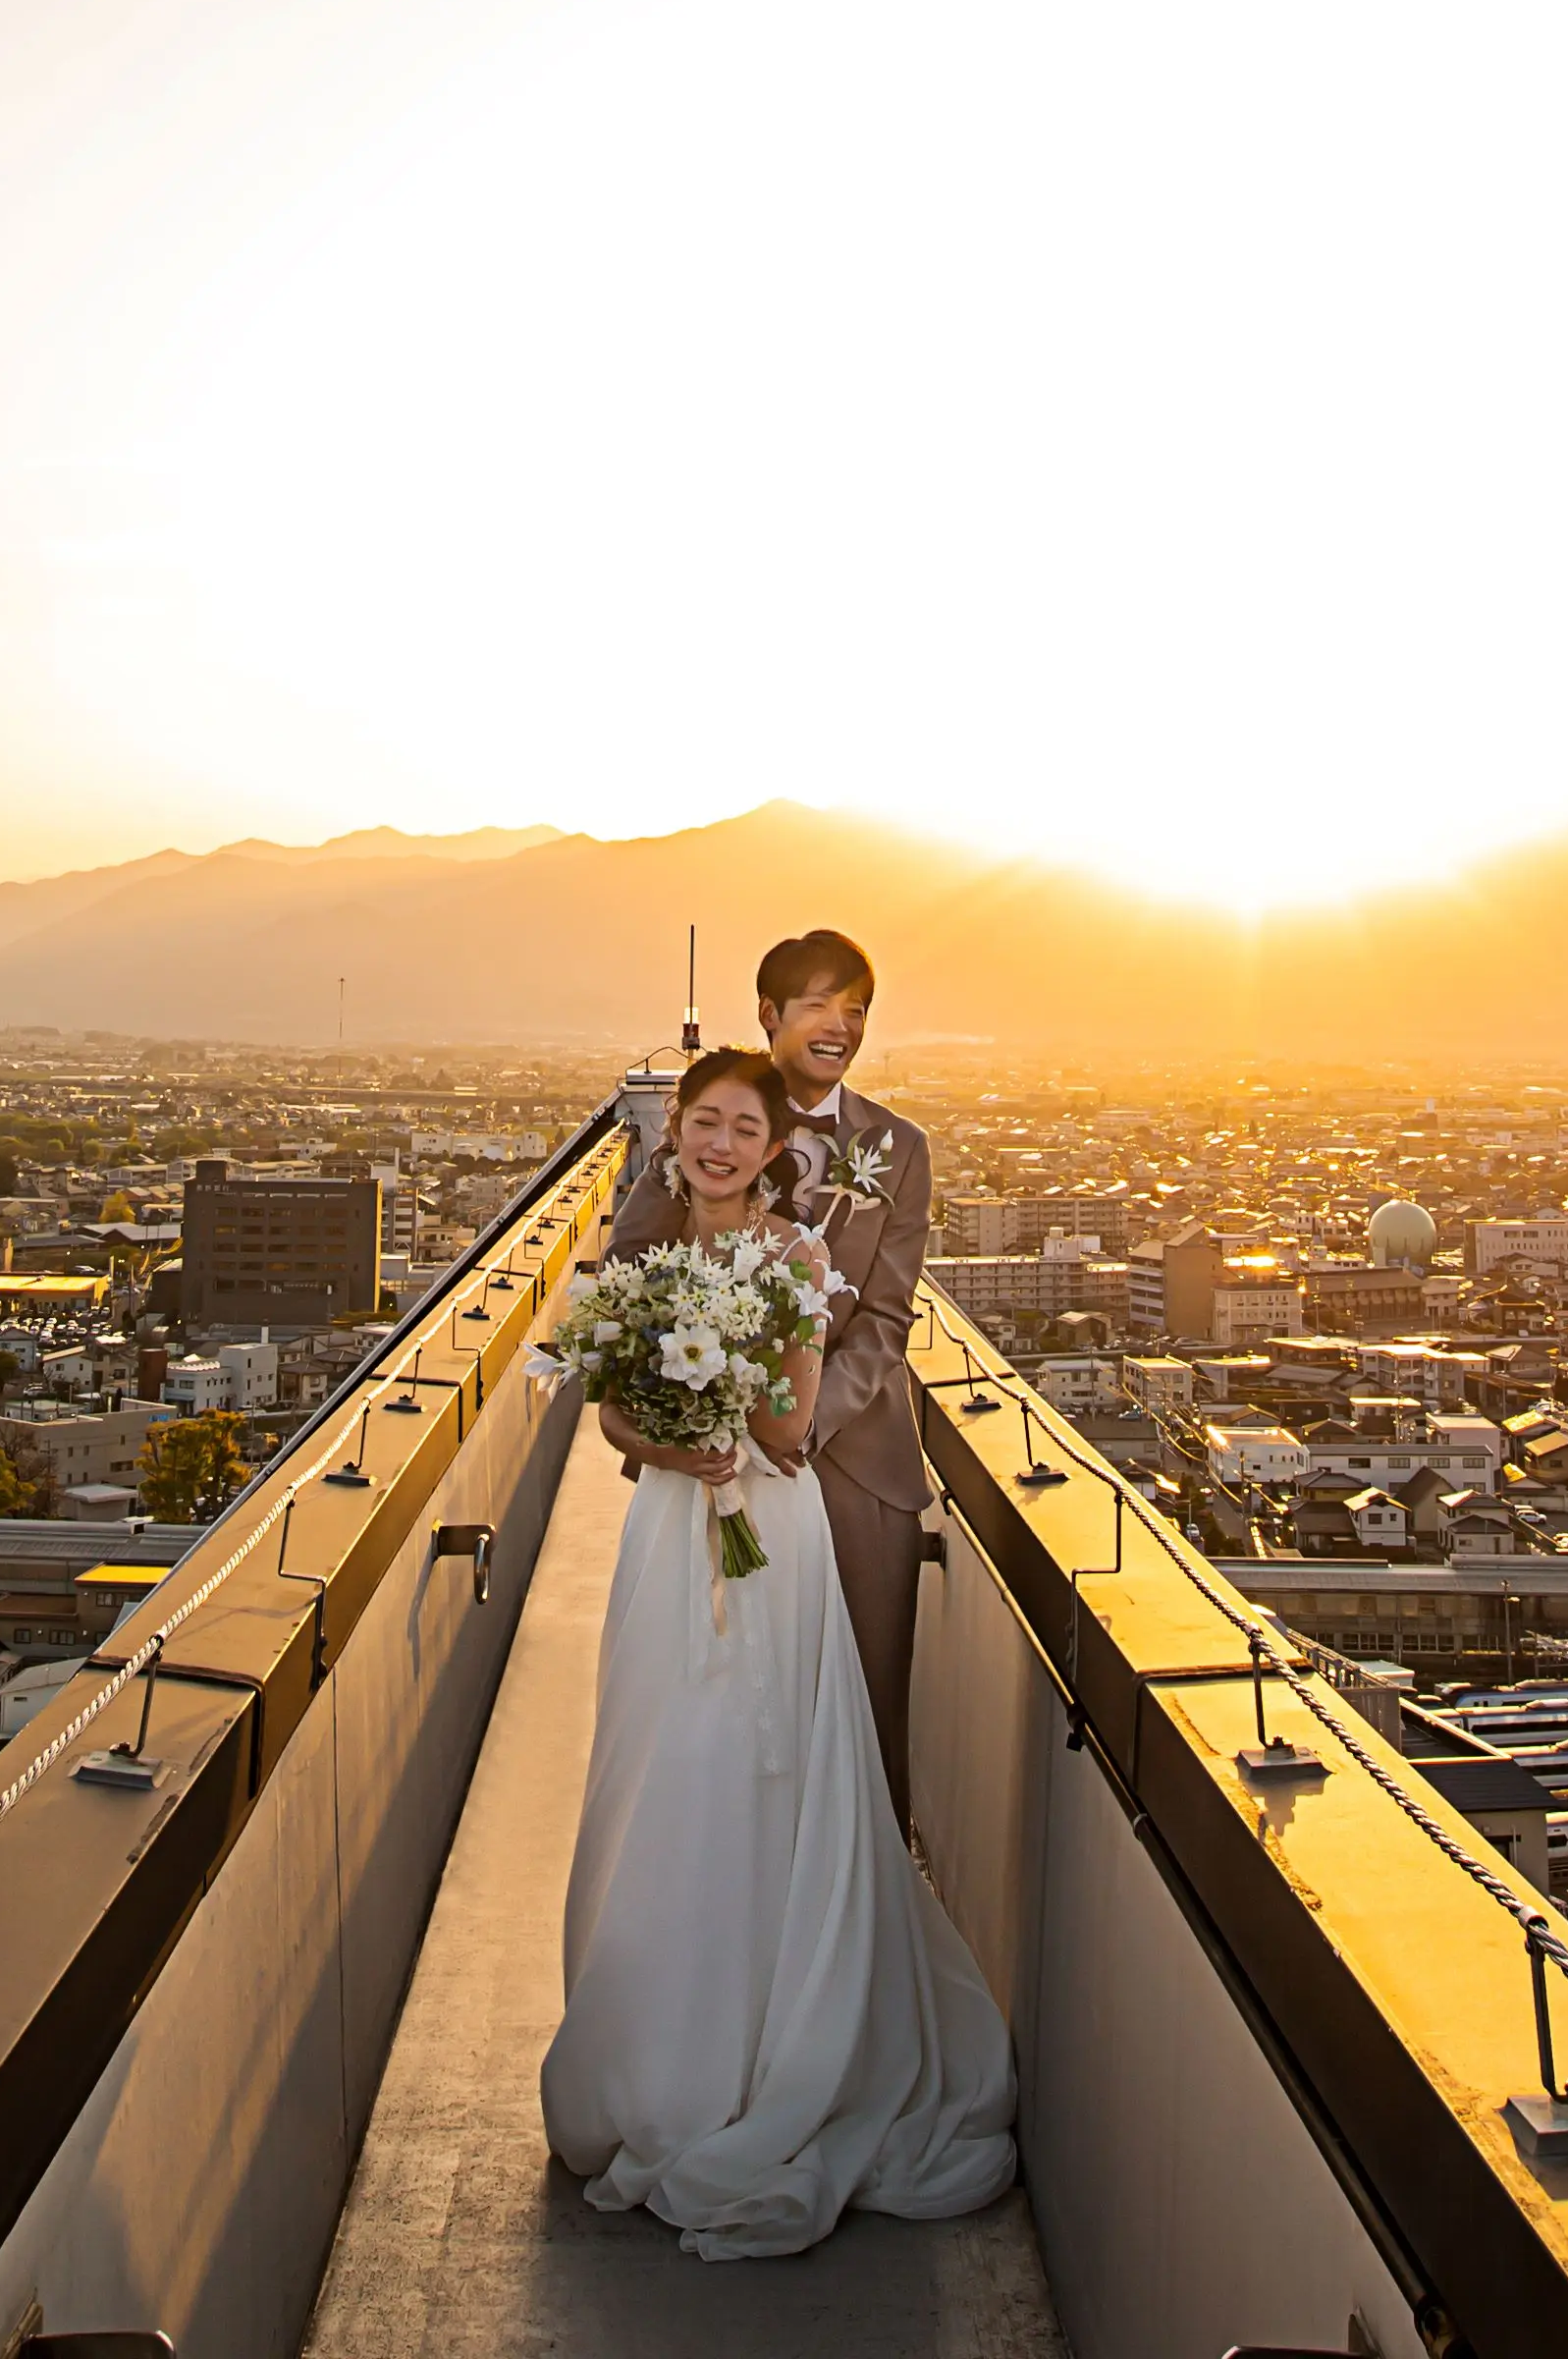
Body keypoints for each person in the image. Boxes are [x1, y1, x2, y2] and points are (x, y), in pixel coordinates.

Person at [539, 1047, 1018, 2258]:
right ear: (676, 1135)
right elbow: (608, 1414)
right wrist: (666, 1434)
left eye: (743, 1129)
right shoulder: (646, 1256)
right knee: (661, 1762)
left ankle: (770, 2054)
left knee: (762, 1766)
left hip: (770, 1533)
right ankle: (661, 2054)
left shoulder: (796, 1256)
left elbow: (795, 1422)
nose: (719, 1145)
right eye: (703, 1123)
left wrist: (713, 1405)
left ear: (771, 1148)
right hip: (668, 1531)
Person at [601, 928, 935, 1804]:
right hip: (708, 1469)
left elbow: (889, 1318)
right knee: (710, 1707)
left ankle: (855, 1920)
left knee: (864, 1717)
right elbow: (628, 1281)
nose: (840, 1026)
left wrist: (799, 1423)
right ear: (770, 1015)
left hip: (855, 1459)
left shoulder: (899, 1149)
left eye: (856, 1010)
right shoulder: (706, 1128)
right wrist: (697, 1416)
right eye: (819, 1004)